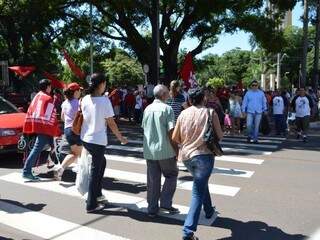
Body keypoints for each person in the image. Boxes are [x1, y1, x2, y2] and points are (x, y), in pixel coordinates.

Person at [172, 87, 223, 240]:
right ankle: (188, 232)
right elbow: (219, 135)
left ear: (190, 100)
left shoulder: (183, 113)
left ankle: (208, 211)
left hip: (187, 157)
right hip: (204, 156)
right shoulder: (210, 112)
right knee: (197, 192)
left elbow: (176, 137)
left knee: (200, 183)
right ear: (204, 98)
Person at [81, 73, 128, 213]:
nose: (105, 86)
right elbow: (111, 123)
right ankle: (91, 203)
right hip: (97, 140)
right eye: (105, 84)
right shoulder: (104, 101)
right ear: (101, 84)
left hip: (86, 138)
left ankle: (98, 194)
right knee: (95, 171)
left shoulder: (84, 99)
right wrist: (121, 138)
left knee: (102, 163)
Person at [142, 84, 179, 218]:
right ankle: (165, 202)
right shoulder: (167, 109)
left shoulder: (147, 108)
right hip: (165, 150)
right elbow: (171, 131)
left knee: (153, 180)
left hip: (149, 150)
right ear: (163, 94)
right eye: (168, 93)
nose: (169, 94)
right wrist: (176, 148)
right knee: (171, 175)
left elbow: (144, 128)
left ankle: (152, 208)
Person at [22, 79, 60, 181]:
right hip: (44, 126)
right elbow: (49, 116)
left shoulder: (37, 96)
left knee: (54, 146)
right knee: (38, 148)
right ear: (47, 87)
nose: (51, 88)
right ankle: (26, 171)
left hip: (36, 124)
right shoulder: (48, 98)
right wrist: (56, 127)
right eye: (50, 86)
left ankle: (57, 167)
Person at [54, 83, 83, 180]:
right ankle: (81, 172)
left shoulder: (65, 103)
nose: (80, 92)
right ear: (75, 92)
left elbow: (62, 117)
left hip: (67, 130)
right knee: (81, 153)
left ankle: (61, 168)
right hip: (76, 130)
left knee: (75, 153)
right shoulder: (78, 103)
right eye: (79, 90)